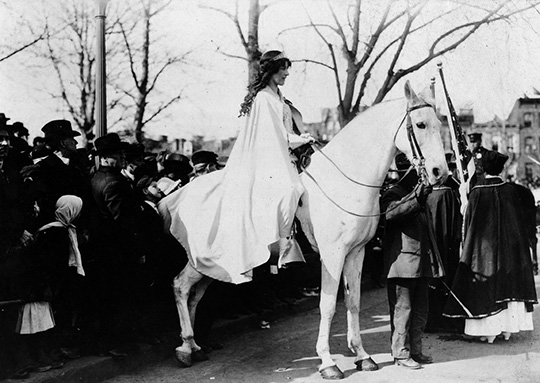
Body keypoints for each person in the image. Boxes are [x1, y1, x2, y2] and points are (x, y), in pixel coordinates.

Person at [160, 49, 314, 284]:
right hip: (268, 158)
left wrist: (302, 138)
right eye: (283, 69)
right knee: (290, 189)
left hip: (284, 155)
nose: (286, 74)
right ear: (272, 70)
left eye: (287, 69)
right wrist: (300, 140)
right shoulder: (263, 98)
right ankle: (283, 244)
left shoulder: (279, 97)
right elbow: (275, 136)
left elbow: (286, 132)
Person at [443, 150, 538, 342]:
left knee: (487, 285)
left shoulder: (477, 191)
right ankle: (508, 330)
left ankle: (488, 332)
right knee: (507, 285)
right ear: (501, 169)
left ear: (483, 169)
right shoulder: (511, 190)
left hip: (483, 250)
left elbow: (468, 220)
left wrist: (464, 199)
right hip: (508, 251)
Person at [380, 153, 444, 370]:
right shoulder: (392, 193)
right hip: (402, 265)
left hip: (421, 264)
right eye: (416, 170)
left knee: (420, 311)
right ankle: (400, 353)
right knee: (402, 311)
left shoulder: (416, 194)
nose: (419, 175)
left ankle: (415, 350)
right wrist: (416, 196)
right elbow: (391, 213)